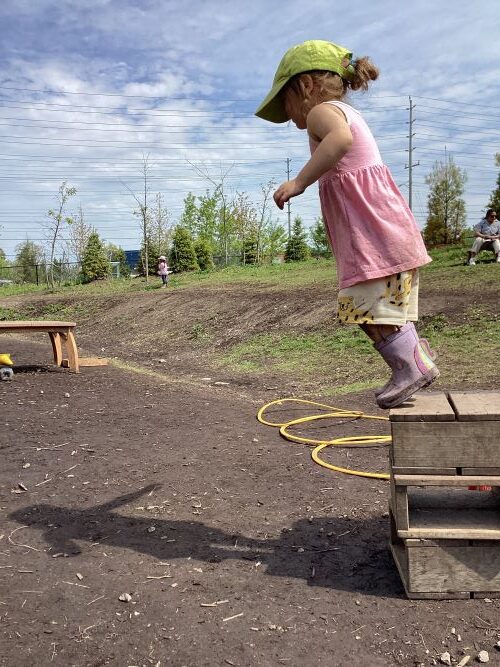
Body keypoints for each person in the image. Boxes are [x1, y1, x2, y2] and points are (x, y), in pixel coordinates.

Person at [255, 39, 439, 409]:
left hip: (370, 234)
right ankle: (414, 355)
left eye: (286, 104)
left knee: (368, 308)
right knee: (376, 308)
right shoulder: (349, 112)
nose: (289, 116)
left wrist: (298, 182)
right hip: (385, 229)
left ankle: (411, 364)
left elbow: (340, 141)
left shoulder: (324, 113)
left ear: (306, 86)